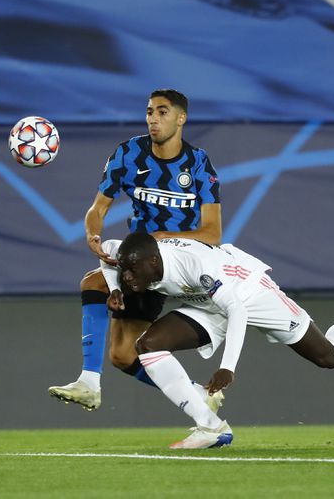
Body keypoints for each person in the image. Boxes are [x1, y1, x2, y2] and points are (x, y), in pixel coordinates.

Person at [101, 233, 334, 449]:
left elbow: (237, 312)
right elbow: (106, 250)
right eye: (123, 270)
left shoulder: (193, 266)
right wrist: (115, 288)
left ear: (154, 261)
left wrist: (227, 367)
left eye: (131, 271)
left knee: (329, 357)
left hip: (251, 294)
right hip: (208, 303)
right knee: (147, 345)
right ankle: (211, 427)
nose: (127, 276)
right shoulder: (134, 256)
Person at [48, 89, 223, 411]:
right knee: (123, 355)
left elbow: (212, 233)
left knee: (94, 283)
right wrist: (93, 233)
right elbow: (97, 209)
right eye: (149, 112)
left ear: (181, 118)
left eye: (163, 112)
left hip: (183, 258)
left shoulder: (198, 163)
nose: (153, 119)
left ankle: (88, 381)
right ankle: (199, 395)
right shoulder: (129, 154)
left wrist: (159, 237)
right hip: (142, 260)